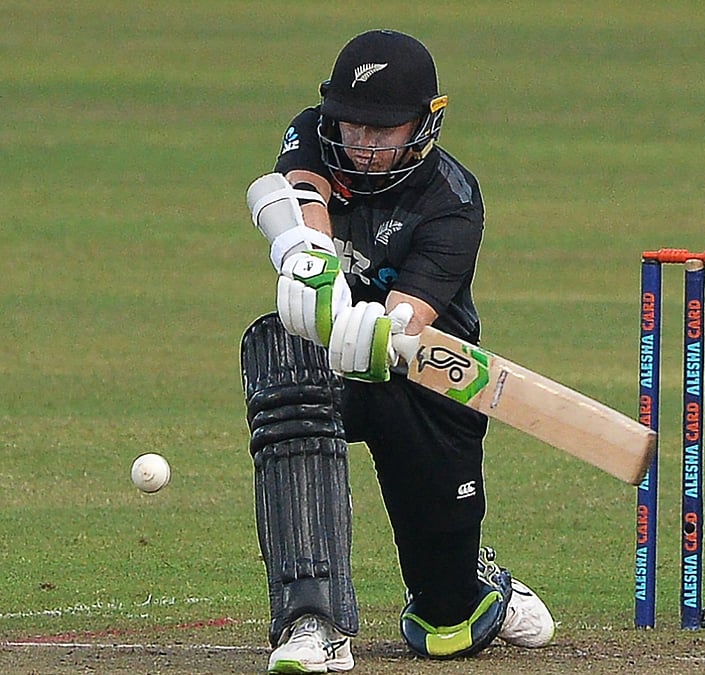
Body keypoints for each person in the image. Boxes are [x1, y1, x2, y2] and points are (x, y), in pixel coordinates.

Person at [239, 29, 555, 672]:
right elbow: (298, 195)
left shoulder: (452, 202)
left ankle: (469, 582)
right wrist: (309, 256)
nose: (361, 144)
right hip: (327, 361)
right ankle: (311, 620)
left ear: (425, 122)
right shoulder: (315, 133)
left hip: (430, 374)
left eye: (382, 130)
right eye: (351, 126)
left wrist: (383, 329)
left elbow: (413, 315)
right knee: (283, 357)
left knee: (446, 628)